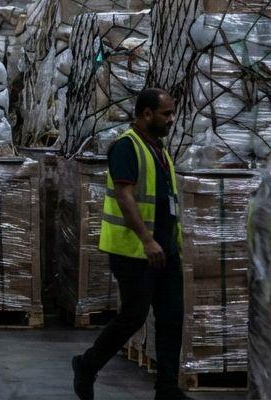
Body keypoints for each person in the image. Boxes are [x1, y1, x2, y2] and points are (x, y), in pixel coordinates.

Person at [72, 88, 191, 400]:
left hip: (166, 250)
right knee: (133, 317)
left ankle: (166, 388)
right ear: (146, 114)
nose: (171, 120)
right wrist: (148, 240)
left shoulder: (159, 150)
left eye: (172, 113)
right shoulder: (127, 147)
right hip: (135, 250)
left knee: (171, 317)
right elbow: (125, 196)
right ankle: (87, 364)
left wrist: (170, 244)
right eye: (165, 114)